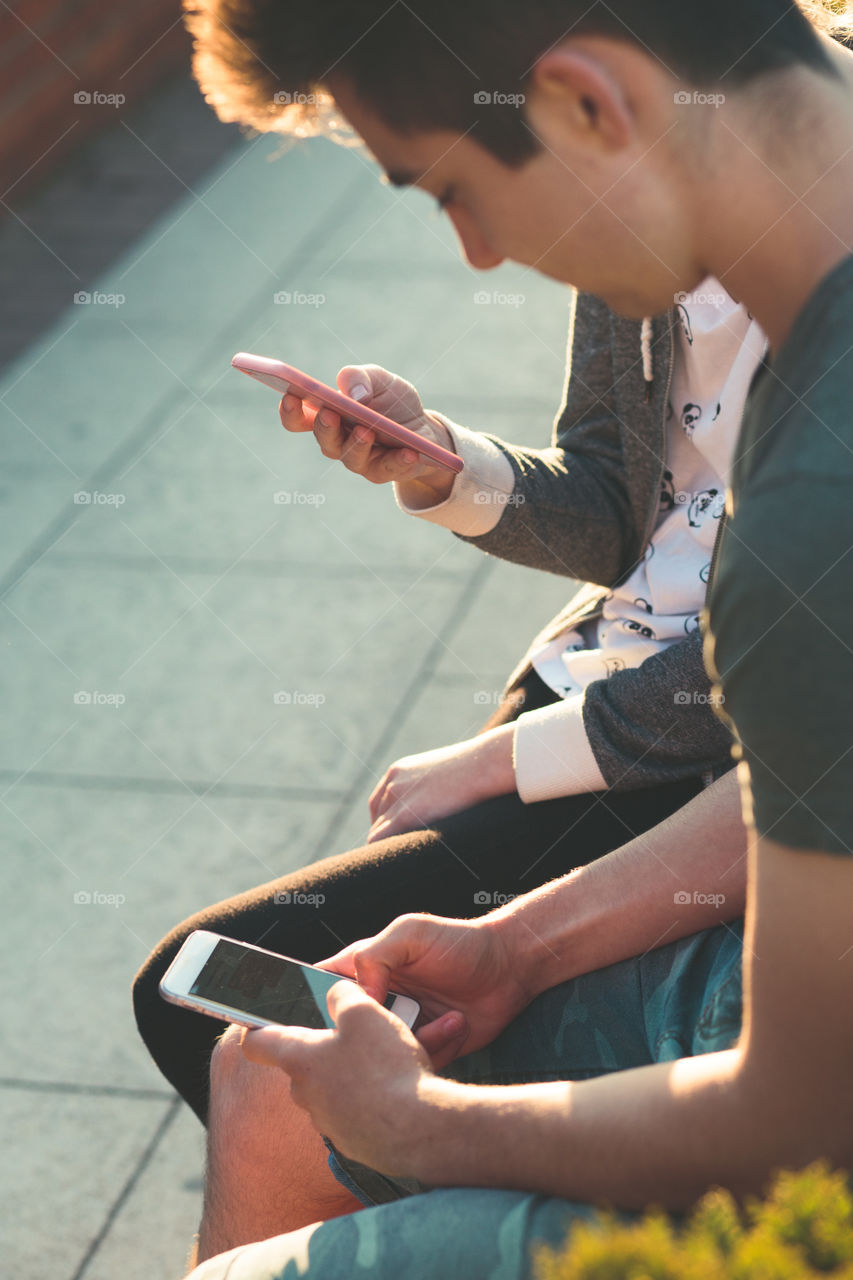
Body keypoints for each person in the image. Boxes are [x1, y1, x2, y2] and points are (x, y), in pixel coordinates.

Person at [171, 0, 853, 1275]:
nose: (480, 253)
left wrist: (422, 1126)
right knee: (263, 1068)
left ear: (589, 103)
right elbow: (806, 777)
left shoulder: (814, 511)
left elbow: (799, 1120)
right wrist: (514, 947)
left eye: (451, 192)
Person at [133, 281, 766, 1121]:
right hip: (584, 677)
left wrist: (506, 757)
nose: (488, 256)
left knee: (210, 1000)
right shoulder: (625, 240)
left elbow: (797, 650)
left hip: (702, 755)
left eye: (473, 211)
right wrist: (441, 461)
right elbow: (617, 500)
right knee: (296, 1017)